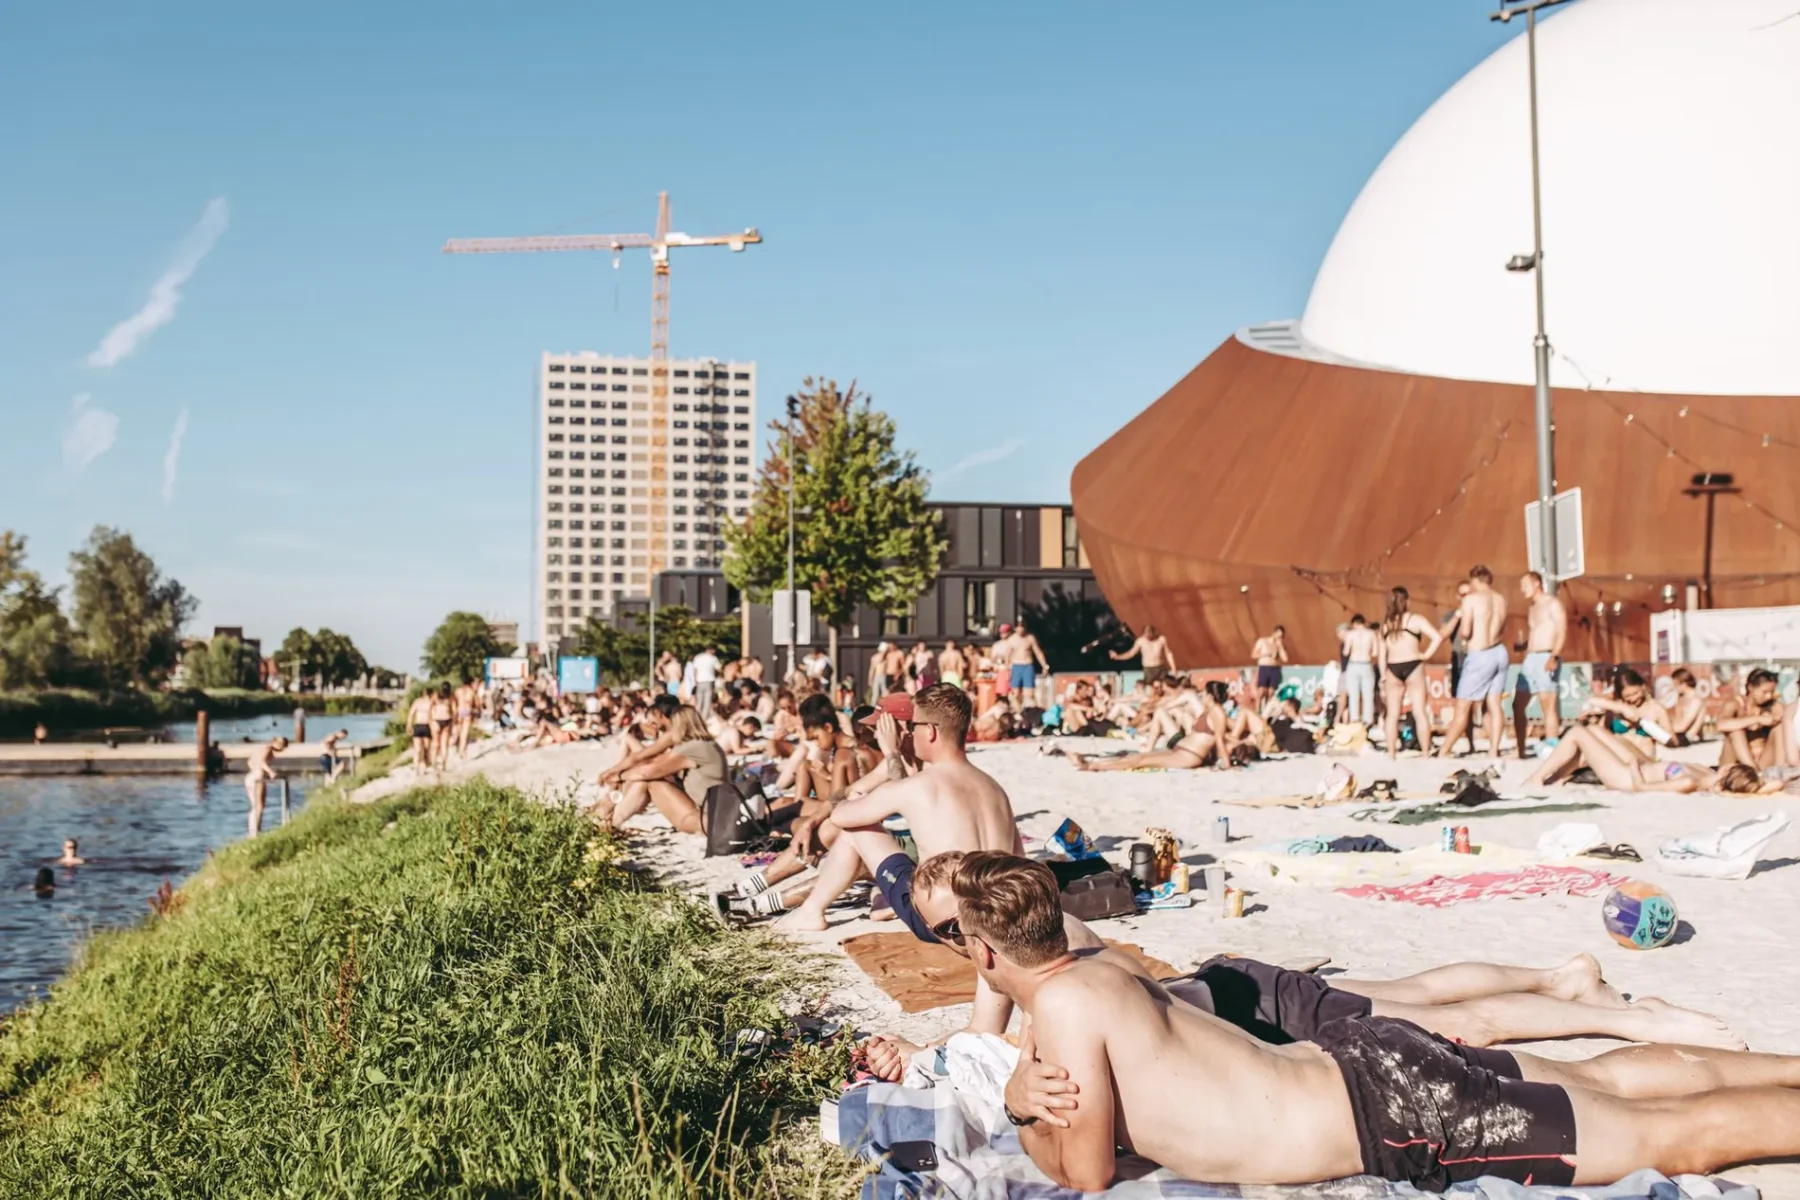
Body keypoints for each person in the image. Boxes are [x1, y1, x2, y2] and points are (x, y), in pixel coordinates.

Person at [955, 854, 1800, 1192]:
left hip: (1392, 1112)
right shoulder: (1101, 967)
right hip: (1368, 1062)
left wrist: (1024, 1111)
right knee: (1610, 1080)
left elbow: (1087, 1172)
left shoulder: (1062, 1008)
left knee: (1674, 1140)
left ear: (986, 955)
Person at [863, 850, 1745, 1081]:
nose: (947, 942)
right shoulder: (992, 949)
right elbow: (990, 1042)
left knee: (1447, 1023)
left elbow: (1092, 1024)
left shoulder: (1050, 942)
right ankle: (1562, 980)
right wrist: (932, 1065)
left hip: (1255, 1014)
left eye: (946, 926)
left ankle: (1629, 1018)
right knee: (1421, 991)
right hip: (1244, 991)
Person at [770, 685, 1019, 935]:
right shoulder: (994, 788)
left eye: (915, 726)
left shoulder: (917, 785)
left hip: (948, 926)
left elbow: (841, 816)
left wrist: (889, 754)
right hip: (999, 919)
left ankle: (810, 912)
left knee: (854, 831)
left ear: (930, 731)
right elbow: (1019, 859)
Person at [1527, 722, 1770, 794]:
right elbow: (1768, 784)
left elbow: (1642, 787)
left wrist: (1633, 766)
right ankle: (1554, 779)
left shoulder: (1690, 783)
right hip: (1645, 765)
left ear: (1729, 774)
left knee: (1578, 733)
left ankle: (1537, 779)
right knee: (1595, 731)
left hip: (1626, 777)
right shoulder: (1707, 773)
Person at [590, 705, 723, 834]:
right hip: (712, 813)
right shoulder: (706, 745)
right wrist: (618, 774)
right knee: (644, 777)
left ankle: (610, 823)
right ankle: (607, 815)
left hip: (704, 818)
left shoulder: (692, 749)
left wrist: (617, 776)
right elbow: (652, 763)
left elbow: (647, 771)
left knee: (649, 781)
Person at [1438, 565, 1508, 758]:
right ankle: (1494, 749)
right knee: (1494, 704)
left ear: (1475, 580)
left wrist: (1466, 634)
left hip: (1480, 653)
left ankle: (1444, 750)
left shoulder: (1471, 600)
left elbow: (1466, 631)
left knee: (1463, 706)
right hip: (1499, 651)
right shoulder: (1500, 599)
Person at [1377, 587, 1441, 760]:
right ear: (1407, 601)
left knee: (1392, 714)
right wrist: (1426, 654)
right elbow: (1437, 637)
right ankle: (1426, 753)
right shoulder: (1416, 620)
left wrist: (1383, 676)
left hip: (1393, 667)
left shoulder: (1386, 624)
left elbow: (1382, 654)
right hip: (1413, 664)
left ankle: (1391, 754)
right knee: (1420, 711)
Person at [1513, 571, 1568, 758]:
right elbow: (1536, 633)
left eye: (1524, 585)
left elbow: (1561, 631)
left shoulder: (1552, 604)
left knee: (1548, 705)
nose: (1522, 590)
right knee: (1517, 704)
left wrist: (1554, 655)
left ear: (1536, 583)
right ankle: (1520, 749)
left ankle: (1552, 747)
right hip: (1531, 657)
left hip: (1546, 654)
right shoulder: (1532, 607)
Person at [1716, 667, 1792, 771]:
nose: (1769, 696)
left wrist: (1776, 720)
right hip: (1735, 764)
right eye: (1764, 692)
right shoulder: (1736, 703)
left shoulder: (1773, 705)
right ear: (1751, 687)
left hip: (1762, 761)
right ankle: (1752, 770)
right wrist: (1758, 719)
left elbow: (1790, 719)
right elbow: (1721, 725)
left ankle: (1780, 770)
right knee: (1735, 731)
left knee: (1779, 728)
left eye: (1772, 692)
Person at [1337, 615, 1378, 727]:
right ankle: (1368, 721)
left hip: (1353, 665)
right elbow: (1375, 652)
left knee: (1353, 694)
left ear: (1354, 624)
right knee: (1368, 695)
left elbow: (1346, 652)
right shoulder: (1371, 634)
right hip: (1366, 664)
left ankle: (1354, 720)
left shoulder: (1351, 634)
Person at [244, 736, 288, 838]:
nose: (282, 750)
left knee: (255, 805)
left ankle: (252, 831)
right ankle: (256, 831)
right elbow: (262, 762)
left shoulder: (261, 748)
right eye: (282, 747)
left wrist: (257, 770)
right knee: (259, 806)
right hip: (258, 776)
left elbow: (250, 762)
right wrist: (270, 772)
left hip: (250, 777)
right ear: (278, 744)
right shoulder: (268, 749)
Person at [1109, 624, 1174, 686]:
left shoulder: (1161, 639)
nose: (1148, 635)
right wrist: (1118, 657)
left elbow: (1168, 653)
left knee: (1165, 685)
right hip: (1148, 668)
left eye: (1150, 633)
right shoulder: (1140, 641)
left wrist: (1173, 668)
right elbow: (1131, 654)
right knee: (1151, 687)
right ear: (1144, 633)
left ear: (1154, 632)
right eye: (1147, 634)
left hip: (1160, 667)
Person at [1002, 621, 1049, 706]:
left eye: (1022, 627)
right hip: (1016, 666)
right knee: (1015, 693)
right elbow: (1007, 655)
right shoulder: (1012, 640)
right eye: (1018, 627)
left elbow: (1038, 652)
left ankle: (1029, 711)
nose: (1020, 629)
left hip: (1027, 665)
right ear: (1015, 628)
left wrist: (1044, 665)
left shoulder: (1030, 638)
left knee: (1029, 693)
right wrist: (1007, 669)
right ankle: (1018, 711)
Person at [1249, 625, 1288, 714]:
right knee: (1261, 691)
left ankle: (1266, 713)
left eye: (1281, 636)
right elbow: (1253, 654)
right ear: (1274, 633)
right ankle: (1257, 712)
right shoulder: (1263, 641)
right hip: (1264, 667)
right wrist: (1266, 654)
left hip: (1275, 669)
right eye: (1278, 635)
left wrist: (1280, 647)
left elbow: (1285, 659)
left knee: (1270, 693)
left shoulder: (1279, 645)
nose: (1279, 638)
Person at [1665, 667, 1706, 745]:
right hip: (1677, 733)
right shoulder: (1680, 698)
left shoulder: (1696, 700)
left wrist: (1664, 727)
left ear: (1684, 684)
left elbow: (1682, 726)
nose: (1674, 688)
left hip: (1685, 737)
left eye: (1675, 684)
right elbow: (1677, 720)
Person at [406, 689, 434, 770]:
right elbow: (411, 714)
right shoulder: (417, 702)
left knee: (426, 748)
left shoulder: (431, 702)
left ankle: (424, 765)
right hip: (418, 725)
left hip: (427, 726)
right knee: (417, 749)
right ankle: (416, 766)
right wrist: (409, 725)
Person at [689, 645, 722, 714]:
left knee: (699, 701)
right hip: (709, 681)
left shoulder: (698, 657)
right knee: (707, 701)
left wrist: (695, 681)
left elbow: (695, 670)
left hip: (699, 681)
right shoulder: (713, 658)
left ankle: (697, 715)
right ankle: (704, 717)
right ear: (712, 650)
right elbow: (719, 668)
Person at [429, 683, 455, 769]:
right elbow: (454, 712)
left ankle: (434, 763)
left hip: (437, 720)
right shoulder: (450, 698)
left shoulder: (435, 696)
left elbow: (430, 708)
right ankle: (443, 764)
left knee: (435, 743)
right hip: (447, 720)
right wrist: (453, 722)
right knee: (444, 744)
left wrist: (431, 720)